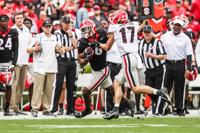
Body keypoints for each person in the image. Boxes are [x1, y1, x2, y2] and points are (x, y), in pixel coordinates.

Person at [99, 10, 171, 120]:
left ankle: (160, 93)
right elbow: (142, 25)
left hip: (127, 58)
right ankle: (116, 109)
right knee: (117, 83)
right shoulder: (134, 24)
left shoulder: (115, 28)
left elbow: (107, 46)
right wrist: (145, 19)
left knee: (135, 88)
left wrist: (97, 43)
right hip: (133, 57)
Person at [74, 19, 114, 118]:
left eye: (87, 29)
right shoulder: (83, 41)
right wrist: (86, 55)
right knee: (111, 90)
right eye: (83, 30)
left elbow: (110, 42)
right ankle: (129, 105)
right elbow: (80, 60)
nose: (85, 32)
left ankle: (87, 109)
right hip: (95, 69)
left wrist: (99, 44)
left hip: (103, 69)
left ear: (93, 28)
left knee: (85, 91)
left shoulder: (101, 33)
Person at [27, 20, 64, 117]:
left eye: (49, 26)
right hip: (40, 67)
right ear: (42, 27)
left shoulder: (55, 37)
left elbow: (61, 50)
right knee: (37, 89)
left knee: (49, 90)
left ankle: (47, 109)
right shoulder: (38, 37)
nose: (48, 28)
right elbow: (28, 49)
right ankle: (34, 108)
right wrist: (35, 49)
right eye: (46, 26)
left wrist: (60, 50)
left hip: (52, 66)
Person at [161, 17, 193, 116]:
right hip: (167, 64)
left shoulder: (185, 38)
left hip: (180, 64)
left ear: (182, 27)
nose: (176, 27)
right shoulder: (165, 36)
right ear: (173, 25)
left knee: (180, 88)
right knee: (166, 87)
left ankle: (180, 109)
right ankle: (164, 108)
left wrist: (189, 68)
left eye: (179, 25)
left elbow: (189, 54)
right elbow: (159, 48)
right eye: (175, 25)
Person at [51, 14, 78, 115]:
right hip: (61, 61)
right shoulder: (57, 33)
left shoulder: (73, 33)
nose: (67, 25)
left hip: (72, 61)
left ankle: (70, 110)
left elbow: (75, 45)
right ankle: (54, 108)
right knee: (59, 85)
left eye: (69, 23)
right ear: (61, 23)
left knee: (71, 86)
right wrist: (70, 47)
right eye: (66, 23)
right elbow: (60, 49)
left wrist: (70, 34)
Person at [138, 25, 167, 115]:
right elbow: (140, 56)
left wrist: (152, 55)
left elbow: (164, 56)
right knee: (148, 90)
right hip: (148, 70)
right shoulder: (141, 43)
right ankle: (163, 102)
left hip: (159, 70)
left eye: (148, 32)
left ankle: (158, 112)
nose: (146, 34)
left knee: (158, 89)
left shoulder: (157, 42)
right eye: (145, 32)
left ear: (152, 32)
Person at [11, 12, 32, 115]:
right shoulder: (12, 30)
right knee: (14, 85)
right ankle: (11, 107)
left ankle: (16, 106)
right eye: (17, 18)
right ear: (14, 19)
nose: (19, 19)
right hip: (16, 62)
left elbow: (29, 45)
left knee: (21, 85)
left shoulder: (27, 29)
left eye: (21, 18)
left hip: (25, 61)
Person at [0, 12, 18, 116]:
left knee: (9, 85)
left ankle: (6, 109)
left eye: (6, 20)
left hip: (8, 62)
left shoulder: (13, 32)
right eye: (2, 21)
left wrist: (13, 63)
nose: (4, 22)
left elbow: (16, 49)